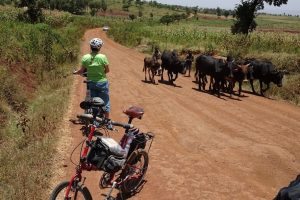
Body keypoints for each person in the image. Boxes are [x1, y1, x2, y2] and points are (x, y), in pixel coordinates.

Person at [73, 38, 110, 118]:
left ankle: (94, 120)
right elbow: (107, 70)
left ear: (90, 46)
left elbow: (81, 71)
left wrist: (75, 72)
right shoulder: (103, 57)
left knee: (93, 102)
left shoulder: (85, 57)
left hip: (91, 83)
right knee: (105, 101)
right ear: (99, 47)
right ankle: (107, 121)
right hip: (102, 83)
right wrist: (99, 73)